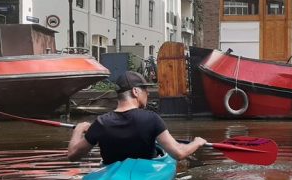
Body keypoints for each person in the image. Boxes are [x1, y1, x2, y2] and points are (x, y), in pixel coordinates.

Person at [67, 71, 206, 165]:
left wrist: (78, 130)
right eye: (145, 90)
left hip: (112, 177)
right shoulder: (151, 119)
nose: (148, 94)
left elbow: (72, 156)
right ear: (135, 91)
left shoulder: (101, 123)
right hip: (145, 175)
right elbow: (179, 153)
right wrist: (197, 142)